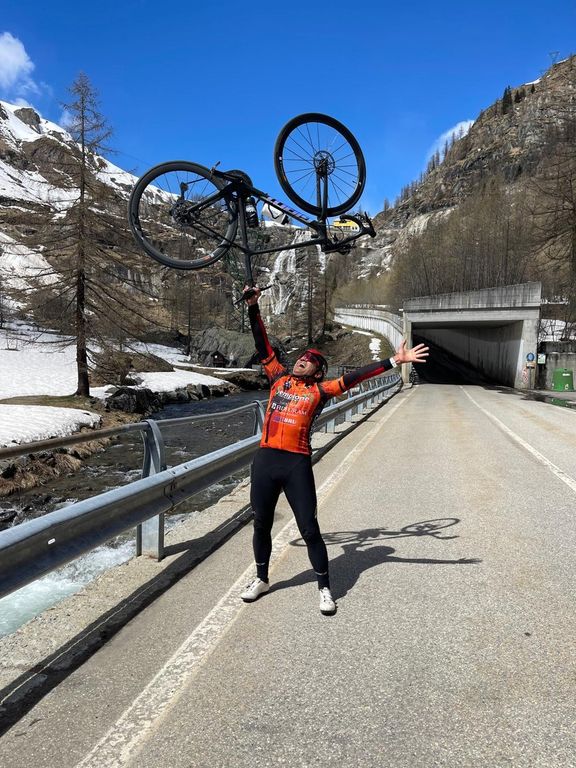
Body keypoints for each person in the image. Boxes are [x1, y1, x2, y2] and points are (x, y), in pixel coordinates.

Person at [241, 286, 429, 615]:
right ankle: (261, 578)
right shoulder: (278, 378)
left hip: (295, 464)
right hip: (266, 459)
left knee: (309, 529)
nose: (302, 361)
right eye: (302, 357)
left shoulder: (321, 391)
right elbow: (262, 344)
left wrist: (394, 361)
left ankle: (324, 588)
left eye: (310, 361)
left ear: (318, 372)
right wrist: (254, 307)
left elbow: (355, 377)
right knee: (261, 523)